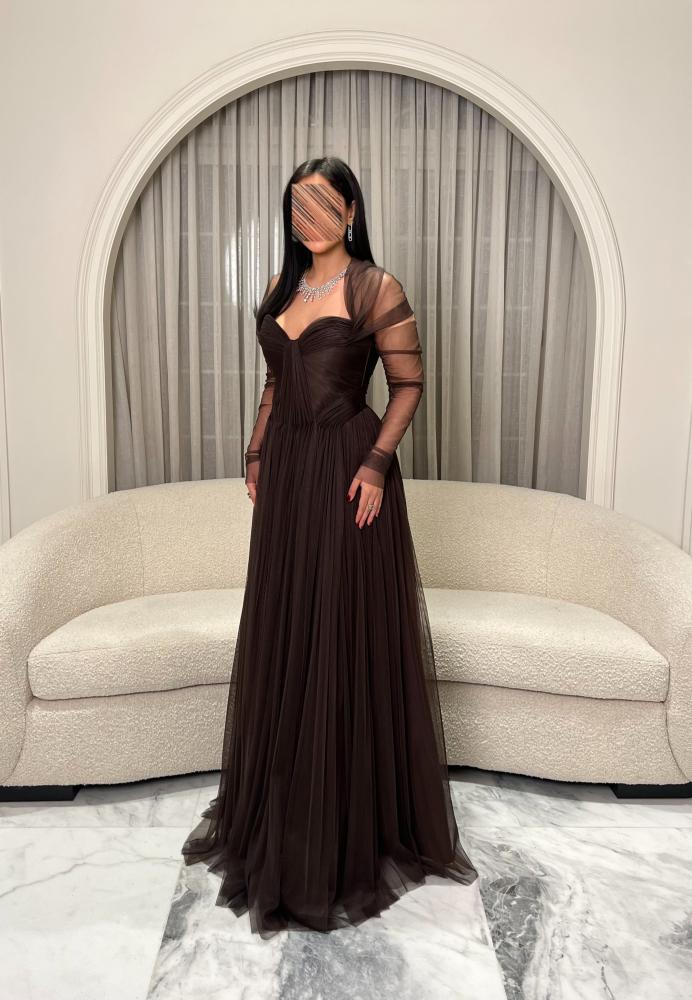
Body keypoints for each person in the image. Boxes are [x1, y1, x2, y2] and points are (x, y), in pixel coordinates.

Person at [181, 155, 478, 938]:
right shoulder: (281, 290)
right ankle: (284, 811)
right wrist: (255, 453)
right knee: (288, 632)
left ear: (350, 210)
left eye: (321, 205)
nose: (308, 220)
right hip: (288, 476)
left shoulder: (375, 287)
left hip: (348, 473)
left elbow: (409, 384)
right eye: (296, 208)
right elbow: (276, 384)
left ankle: (347, 827)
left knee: (339, 634)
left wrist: (376, 463)